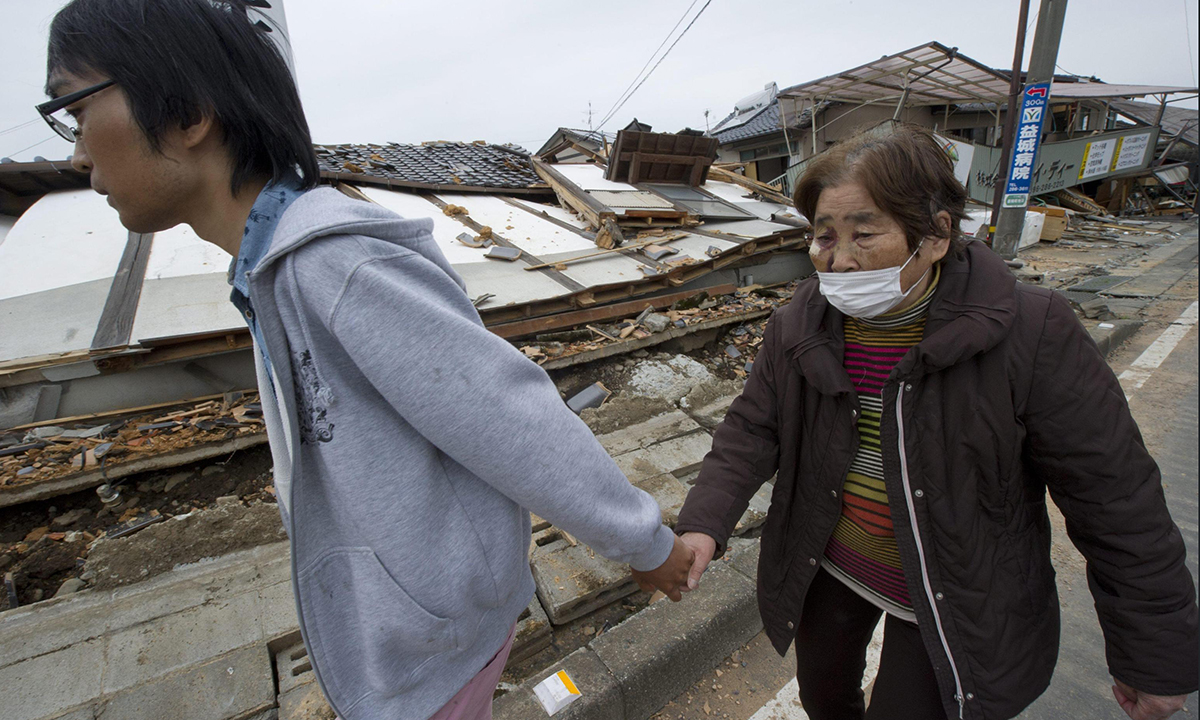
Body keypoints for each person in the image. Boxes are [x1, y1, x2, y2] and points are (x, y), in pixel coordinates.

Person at [39, 2, 693, 718]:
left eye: (74, 110)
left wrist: (643, 543)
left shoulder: (334, 262)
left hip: (432, 648)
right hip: (402, 639)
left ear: (189, 112)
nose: (76, 154)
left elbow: (509, 416)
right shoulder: (271, 270)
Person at [673, 124, 1198, 720]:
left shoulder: (1030, 332)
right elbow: (750, 429)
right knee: (824, 698)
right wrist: (704, 524)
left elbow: (1115, 500)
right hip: (830, 566)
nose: (839, 261)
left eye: (864, 234)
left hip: (955, 589)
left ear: (938, 235)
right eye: (823, 237)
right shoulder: (800, 324)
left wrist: (1154, 656)